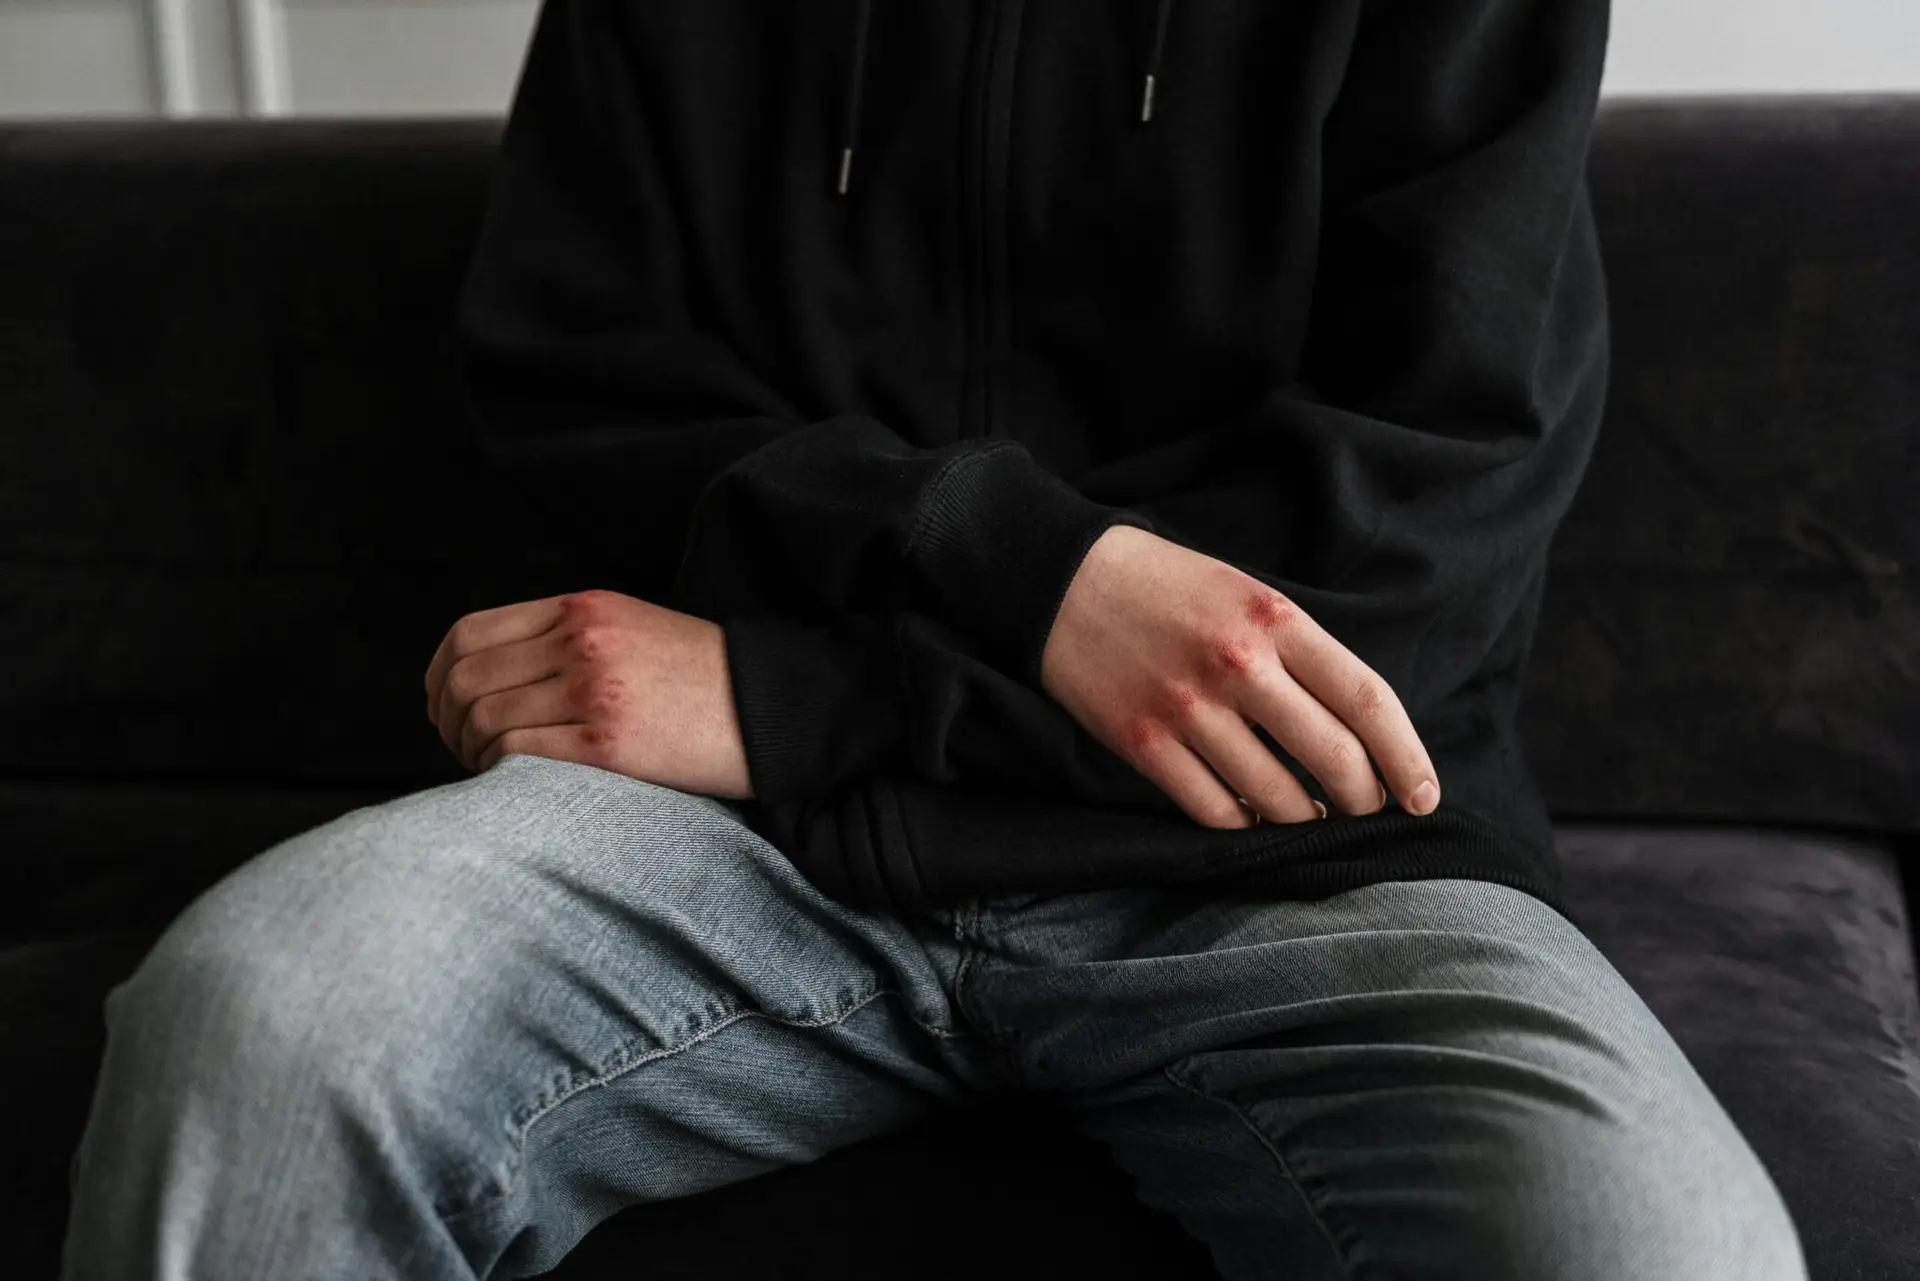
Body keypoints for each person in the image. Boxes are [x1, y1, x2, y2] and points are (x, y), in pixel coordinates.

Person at [61, 1, 1807, 1277]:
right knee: (261, 1023)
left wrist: (795, 697)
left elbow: (1407, 564)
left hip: (1295, 865)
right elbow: (577, 407)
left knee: (1667, 1247)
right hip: (734, 851)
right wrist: (1030, 573)